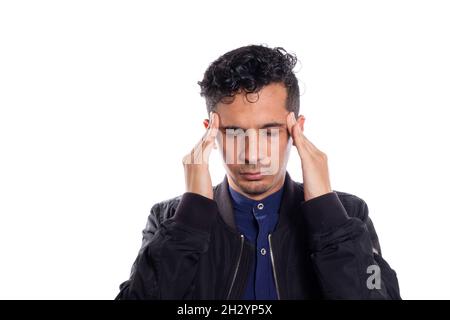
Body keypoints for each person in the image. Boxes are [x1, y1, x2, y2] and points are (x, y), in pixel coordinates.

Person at [115, 44, 401, 299]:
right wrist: (191, 218)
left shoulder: (348, 213)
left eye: (270, 132)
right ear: (211, 134)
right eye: (235, 132)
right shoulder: (170, 218)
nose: (252, 155)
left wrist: (326, 213)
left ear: (295, 130)